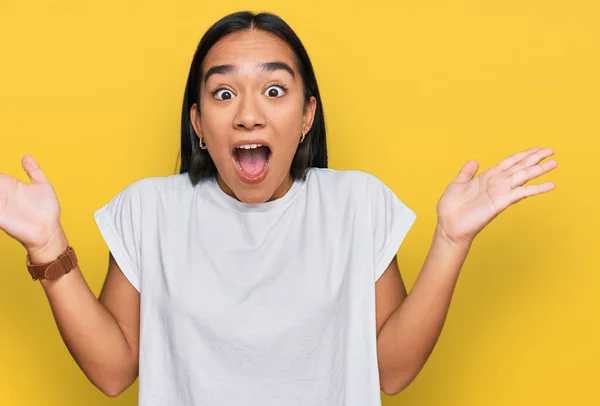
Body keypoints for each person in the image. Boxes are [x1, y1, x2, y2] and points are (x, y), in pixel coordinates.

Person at [0, 11, 557, 406]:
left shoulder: (356, 204)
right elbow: (114, 372)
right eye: (223, 94)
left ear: (307, 114)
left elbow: (392, 370)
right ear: (197, 123)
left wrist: (451, 241)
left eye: (274, 90)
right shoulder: (150, 210)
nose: (248, 115)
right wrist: (47, 246)